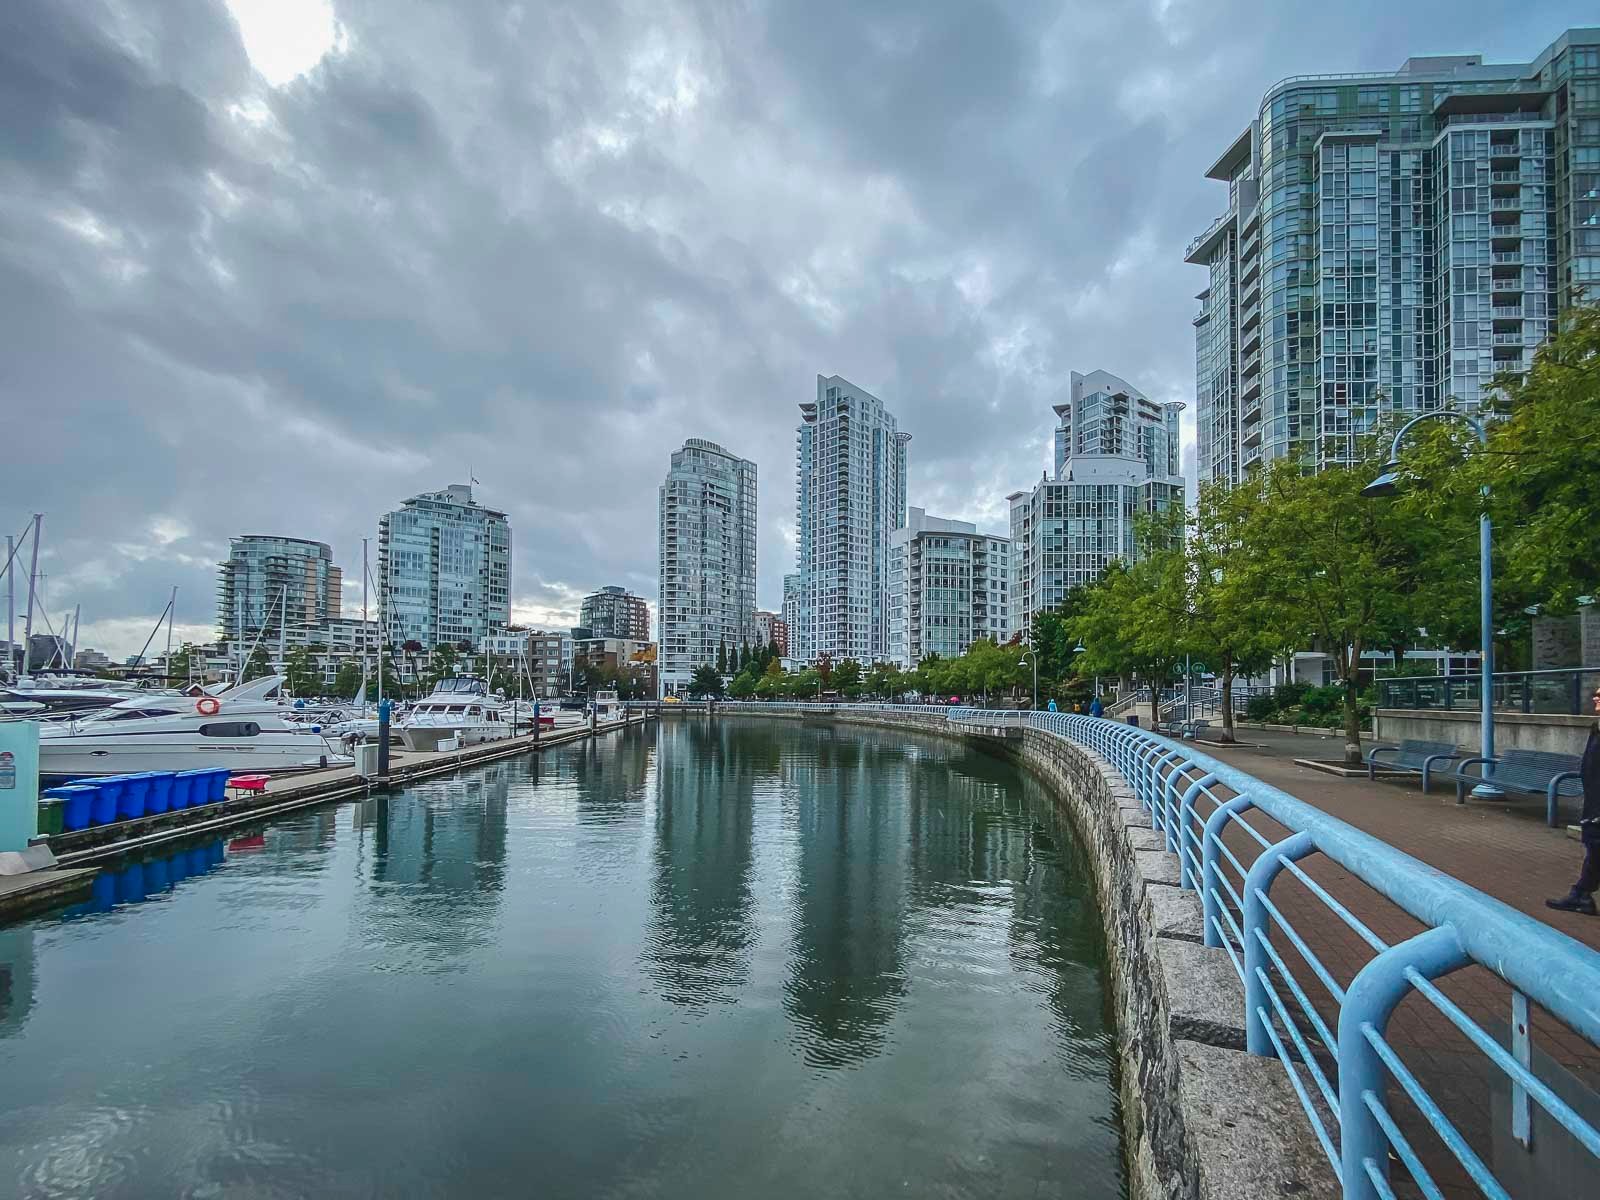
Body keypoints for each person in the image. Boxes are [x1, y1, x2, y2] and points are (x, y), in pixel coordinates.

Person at [1547, 686, 1600, 916]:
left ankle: (1581, 894)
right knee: (1595, 848)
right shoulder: (1596, 728)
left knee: (1596, 848)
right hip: (1593, 801)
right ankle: (1581, 894)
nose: (1596, 695)